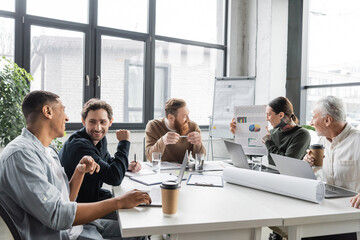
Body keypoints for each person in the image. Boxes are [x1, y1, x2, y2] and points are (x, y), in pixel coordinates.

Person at [0, 90, 151, 240]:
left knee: (140, 230)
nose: (66, 118)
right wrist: (120, 202)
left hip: (77, 227)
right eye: (63, 110)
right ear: (47, 111)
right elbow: (57, 216)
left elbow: (67, 200)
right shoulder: (21, 155)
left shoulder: (49, 151)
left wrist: (79, 172)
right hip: (63, 235)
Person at [60, 99, 141, 204]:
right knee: (130, 211)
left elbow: (107, 161)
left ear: (110, 122)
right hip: (80, 206)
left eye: (102, 122)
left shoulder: (99, 138)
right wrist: (124, 142)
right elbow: (115, 178)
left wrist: (126, 166)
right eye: (92, 122)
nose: (98, 128)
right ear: (84, 122)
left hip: (92, 197)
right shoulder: (79, 146)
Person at [230, 96, 311, 165]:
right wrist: (238, 134)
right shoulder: (272, 133)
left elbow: (287, 163)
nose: (266, 119)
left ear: (281, 115)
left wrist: (269, 142)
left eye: (269, 115)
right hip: (271, 176)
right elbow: (255, 155)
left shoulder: (302, 134)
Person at [145, 98, 206, 163]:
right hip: (161, 170)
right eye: (185, 116)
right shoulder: (154, 126)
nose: (188, 120)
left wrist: (198, 144)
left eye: (188, 114)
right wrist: (163, 141)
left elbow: (200, 158)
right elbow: (150, 158)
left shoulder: (193, 127)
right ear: (171, 118)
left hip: (184, 170)